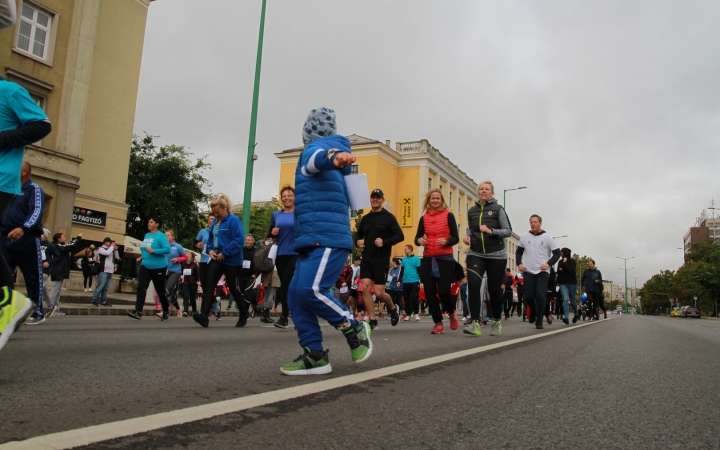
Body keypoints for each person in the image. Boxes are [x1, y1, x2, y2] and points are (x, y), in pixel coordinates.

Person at [279, 107, 371, 375]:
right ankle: (315, 355)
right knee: (296, 295)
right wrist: (337, 160)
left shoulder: (314, 149)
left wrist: (333, 157)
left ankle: (353, 326)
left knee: (312, 290)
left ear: (308, 133)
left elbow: (317, 160)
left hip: (326, 238)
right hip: (312, 239)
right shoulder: (340, 166)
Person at [0, 75, 51, 348]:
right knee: (5, 265)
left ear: (26, 171)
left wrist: (26, 228)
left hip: (27, 238)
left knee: (33, 275)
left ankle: (33, 308)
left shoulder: (33, 189)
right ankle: (9, 302)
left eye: (23, 169)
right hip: (6, 235)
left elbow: (37, 214)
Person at [461, 181, 512, 337]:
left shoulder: (498, 209)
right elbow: (471, 229)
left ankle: (496, 321)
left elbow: (508, 231)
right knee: (474, 286)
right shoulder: (472, 211)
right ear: (478, 192)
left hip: (496, 254)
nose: (483, 191)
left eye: (487, 189)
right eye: (481, 189)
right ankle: (475, 323)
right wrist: (468, 237)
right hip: (476, 253)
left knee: (494, 289)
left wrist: (491, 231)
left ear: (492, 193)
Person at [193, 194, 249, 328]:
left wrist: (226, 252)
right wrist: (210, 250)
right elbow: (211, 239)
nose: (216, 214)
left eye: (218, 212)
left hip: (232, 260)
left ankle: (243, 313)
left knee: (233, 288)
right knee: (208, 285)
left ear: (225, 208)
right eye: (214, 212)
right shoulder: (214, 223)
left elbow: (238, 240)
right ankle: (204, 316)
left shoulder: (234, 221)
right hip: (217, 258)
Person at [356, 188, 404, 330]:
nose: (375, 200)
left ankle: (392, 307)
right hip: (367, 259)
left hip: (381, 260)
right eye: (373, 197)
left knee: (379, 292)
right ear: (370, 199)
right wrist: (358, 241)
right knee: (365, 287)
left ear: (382, 200)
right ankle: (372, 320)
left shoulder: (388, 217)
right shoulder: (365, 218)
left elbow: (400, 236)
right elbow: (358, 235)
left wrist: (385, 241)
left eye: (378, 198)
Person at [415, 189, 460, 334]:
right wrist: (419, 240)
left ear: (441, 200)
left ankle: (452, 312)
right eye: (432, 198)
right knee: (429, 292)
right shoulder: (424, 218)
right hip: (428, 257)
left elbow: (456, 238)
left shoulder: (449, 215)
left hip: (445, 258)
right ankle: (438, 323)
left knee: (442, 291)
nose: (435, 201)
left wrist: (446, 241)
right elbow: (417, 238)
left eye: (437, 199)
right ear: (429, 200)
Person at [515, 215, 560, 330]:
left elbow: (557, 253)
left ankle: (539, 320)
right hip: (529, 271)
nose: (533, 224)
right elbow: (519, 252)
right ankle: (534, 311)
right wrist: (519, 263)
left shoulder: (547, 237)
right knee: (528, 296)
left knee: (541, 296)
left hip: (542, 271)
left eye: (535, 222)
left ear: (540, 223)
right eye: (531, 222)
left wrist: (548, 264)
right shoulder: (524, 237)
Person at [127, 216, 172, 320]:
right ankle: (138, 311)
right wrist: (142, 256)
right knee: (141, 287)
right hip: (145, 265)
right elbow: (145, 248)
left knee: (160, 290)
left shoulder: (161, 236)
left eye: (151, 222)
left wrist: (155, 251)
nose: (149, 223)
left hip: (158, 267)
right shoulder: (147, 235)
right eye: (148, 222)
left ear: (157, 224)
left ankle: (165, 310)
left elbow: (167, 249)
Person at [268, 185, 298, 329]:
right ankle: (293, 317)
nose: (287, 198)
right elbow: (269, 234)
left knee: (287, 284)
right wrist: (273, 232)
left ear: (294, 197)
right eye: (284, 196)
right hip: (280, 253)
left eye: (290, 195)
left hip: (296, 253)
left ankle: (284, 317)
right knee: (287, 286)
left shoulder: (299, 214)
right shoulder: (276, 215)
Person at [164, 230, 187, 319]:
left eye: (168, 235)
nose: (167, 237)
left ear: (172, 237)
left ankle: (164, 311)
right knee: (169, 292)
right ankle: (178, 307)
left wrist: (177, 259)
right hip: (164, 270)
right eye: (165, 235)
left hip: (175, 271)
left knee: (167, 289)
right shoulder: (163, 246)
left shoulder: (177, 247)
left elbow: (185, 257)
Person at [91, 238, 119, 307]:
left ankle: (103, 301)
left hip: (110, 271)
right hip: (103, 270)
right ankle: (94, 300)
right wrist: (112, 247)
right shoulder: (101, 249)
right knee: (100, 286)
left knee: (106, 288)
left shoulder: (111, 249)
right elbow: (107, 253)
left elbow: (117, 257)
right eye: (110, 242)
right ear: (106, 242)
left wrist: (115, 250)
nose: (111, 244)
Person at [556, 247, 578, 324]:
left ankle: (576, 313)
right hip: (563, 283)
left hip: (572, 283)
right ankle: (566, 317)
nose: (561, 255)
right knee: (565, 299)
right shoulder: (560, 262)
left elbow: (571, 271)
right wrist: (560, 270)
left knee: (572, 300)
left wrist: (565, 264)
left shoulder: (572, 261)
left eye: (562, 253)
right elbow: (558, 271)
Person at [194, 215, 214, 296]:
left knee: (210, 283)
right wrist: (197, 245)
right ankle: (213, 302)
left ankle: (208, 306)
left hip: (214, 260)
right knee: (203, 283)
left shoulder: (220, 231)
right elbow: (194, 244)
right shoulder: (203, 231)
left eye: (212, 219)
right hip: (204, 260)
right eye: (208, 219)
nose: (210, 220)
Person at [39, 229, 59, 313]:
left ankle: (36, 309)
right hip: (37, 269)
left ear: (45, 236)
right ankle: (50, 306)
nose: (40, 236)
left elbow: (57, 256)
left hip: (45, 270)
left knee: (38, 288)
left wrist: (49, 262)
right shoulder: (36, 244)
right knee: (43, 289)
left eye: (41, 235)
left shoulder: (50, 246)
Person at [401, 245, 421, 321]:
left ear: (410, 250)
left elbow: (419, 270)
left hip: (415, 281)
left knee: (415, 297)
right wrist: (399, 281)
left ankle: (416, 313)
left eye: (405, 249)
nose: (404, 250)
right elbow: (402, 271)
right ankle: (408, 314)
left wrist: (421, 281)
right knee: (406, 299)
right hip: (405, 281)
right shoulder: (404, 259)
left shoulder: (417, 259)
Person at [181, 252, 199, 317]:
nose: (187, 257)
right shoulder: (183, 264)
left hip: (193, 283)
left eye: (189, 256)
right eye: (186, 256)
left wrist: (198, 281)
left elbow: (197, 273)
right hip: (185, 282)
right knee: (186, 296)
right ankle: (185, 311)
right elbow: (181, 272)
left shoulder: (194, 265)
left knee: (192, 297)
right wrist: (181, 276)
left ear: (191, 257)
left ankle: (194, 310)